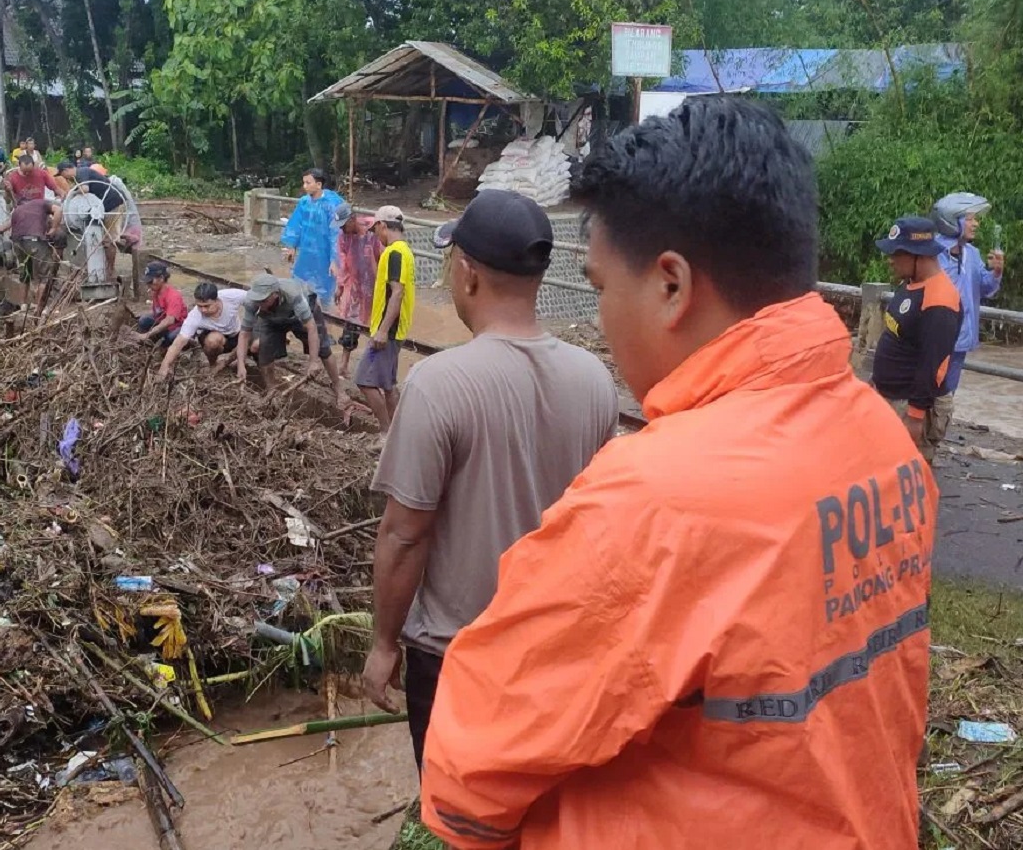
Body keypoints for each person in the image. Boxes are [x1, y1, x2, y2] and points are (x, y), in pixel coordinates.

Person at [420, 97, 938, 850]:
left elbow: (467, 774)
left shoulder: (653, 503)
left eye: (602, 288)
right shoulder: (883, 442)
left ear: (671, 285)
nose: (603, 319)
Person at [364, 188, 619, 770]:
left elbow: (404, 534)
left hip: (460, 658)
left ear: (467, 273)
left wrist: (383, 644)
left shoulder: (438, 384)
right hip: (556, 655)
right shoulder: (594, 380)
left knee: (461, 809)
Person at [871, 217, 963, 463]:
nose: (890, 259)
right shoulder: (911, 283)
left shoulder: (940, 301)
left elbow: (933, 365)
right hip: (891, 398)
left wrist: (915, 416)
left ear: (919, 256)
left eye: (897, 253)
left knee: (906, 476)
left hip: (911, 406)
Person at [932, 192, 1005, 401]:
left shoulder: (971, 253)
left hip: (961, 340)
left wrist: (996, 272)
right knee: (927, 394)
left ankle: (940, 423)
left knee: (946, 399)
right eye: (970, 219)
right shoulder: (932, 254)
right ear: (952, 221)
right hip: (936, 339)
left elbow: (985, 288)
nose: (976, 224)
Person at [236, 273, 346, 405]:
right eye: (257, 301)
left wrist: (313, 361)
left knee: (323, 350)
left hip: (299, 316)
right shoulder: (252, 303)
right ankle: (271, 391)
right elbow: (244, 334)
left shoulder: (294, 295)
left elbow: (311, 328)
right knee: (264, 353)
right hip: (271, 319)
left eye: (263, 301)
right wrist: (241, 365)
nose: (259, 304)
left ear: (275, 294)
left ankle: (339, 388)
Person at [353, 205, 413, 434]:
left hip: (387, 331)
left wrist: (382, 330)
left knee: (363, 380)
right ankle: (398, 434)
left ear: (383, 226)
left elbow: (397, 293)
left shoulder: (394, 253)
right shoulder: (405, 251)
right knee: (388, 385)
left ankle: (386, 433)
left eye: (375, 229)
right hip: (395, 329)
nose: (376, 235)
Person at [156, 283, 248, 381]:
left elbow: (254, 298)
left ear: (216, 300)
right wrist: (165, 365)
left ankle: (234, 360)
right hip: (213, 337)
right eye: (199, 306)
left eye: (207, 306)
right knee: (213, 340)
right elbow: (179, 342)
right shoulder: (195, 316)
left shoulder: (230, 296)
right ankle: (213, 364)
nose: (203, 310)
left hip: (235, 335)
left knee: (250, 333)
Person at [330, 203, 382, 373]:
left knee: (377, 326)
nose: (342, 229)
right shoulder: (343, 237)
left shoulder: (373, 230)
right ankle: (344, 364)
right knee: (350, 324)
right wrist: (340, 285)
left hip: (376, 285)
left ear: (352, 219)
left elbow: (384, 256)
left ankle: (373, 365)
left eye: (344, 225)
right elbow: (344, 263)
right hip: (355, 285)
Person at [280, 168, 344, 304]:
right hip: (307, 252)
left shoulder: (332, 204)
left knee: (326, 286)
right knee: (302, 284)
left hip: (324, 253)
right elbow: (296, 224)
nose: (305, 186)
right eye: (304, 183)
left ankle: (325, 309)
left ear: (319, 184)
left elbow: (336, 234)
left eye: (308, 183)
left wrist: (335, 260)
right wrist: (292, 245)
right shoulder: (304, 202)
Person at [57, 160, 126, 280]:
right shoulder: (78, 177)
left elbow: (85, 189)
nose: (65, 179)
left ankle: (110, 270)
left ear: (66, 170)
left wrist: (72, 193)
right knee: (99, 237)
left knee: (108, 239)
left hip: (113, 205)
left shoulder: (81, 173)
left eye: (63, 175)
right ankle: (98, 268)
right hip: (102, 208)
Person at [5, 198, 63, 277]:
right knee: (44, 275)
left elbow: (10, 230)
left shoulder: (17, 211)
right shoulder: (40, 203)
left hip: (18, 243)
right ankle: (44, 280)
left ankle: (27, 281)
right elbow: (59, 210)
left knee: (26, 275)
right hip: (34, 240)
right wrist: (54, 228)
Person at [137, 262, 187, 347]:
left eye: (150, 282)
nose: (148, 285)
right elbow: (158, 313)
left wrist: (148, 334)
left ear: (161, 278)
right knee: (143, 320)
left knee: (170, 337)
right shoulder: (156, 292)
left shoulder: (173, 296)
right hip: (163, 320)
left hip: (177, 325)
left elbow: (169, 321)